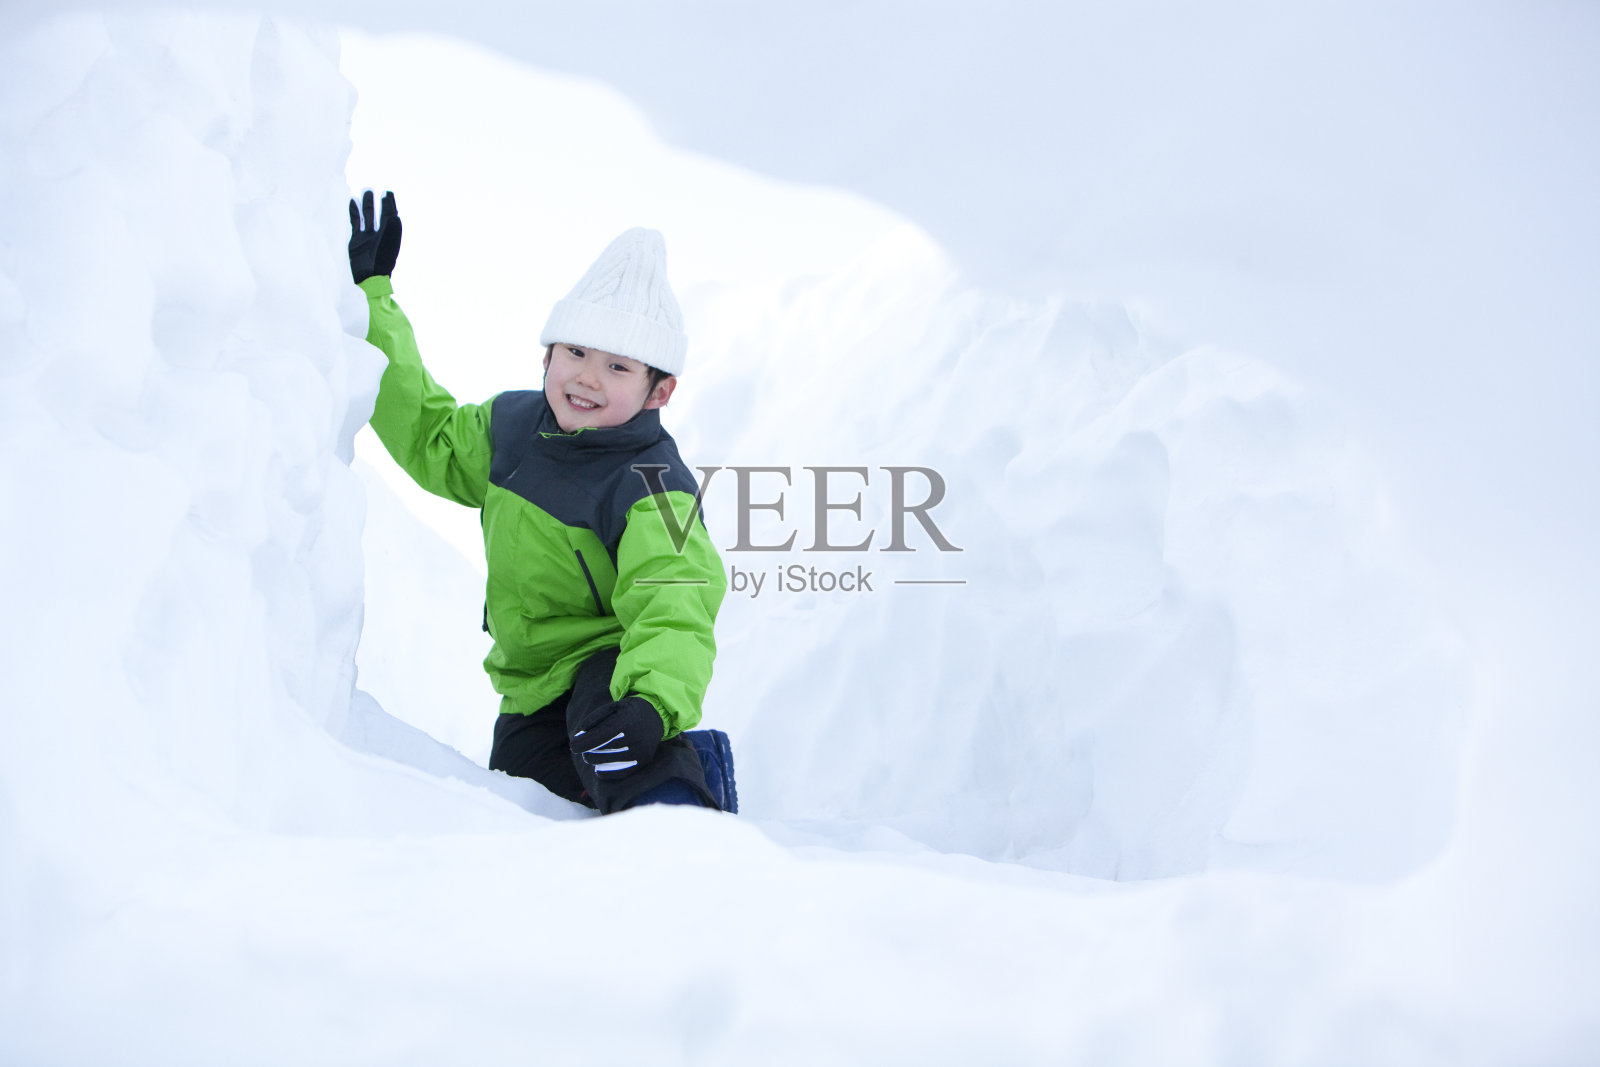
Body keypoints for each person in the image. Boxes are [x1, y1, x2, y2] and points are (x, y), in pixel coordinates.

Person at [347, 190, 735, 814]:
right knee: (526, 798)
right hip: (528, 683)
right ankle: (684, 761)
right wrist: (372, 296)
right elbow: (426, 434)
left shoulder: (655, 485)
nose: (586, 377)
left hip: (607, 665)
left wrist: (650, 705)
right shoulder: (510, 429)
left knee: (615, 741)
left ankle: (676, 816)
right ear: (547, 354)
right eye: (576, 352)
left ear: (658, 391)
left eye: (617, 367)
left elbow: (677, 601)